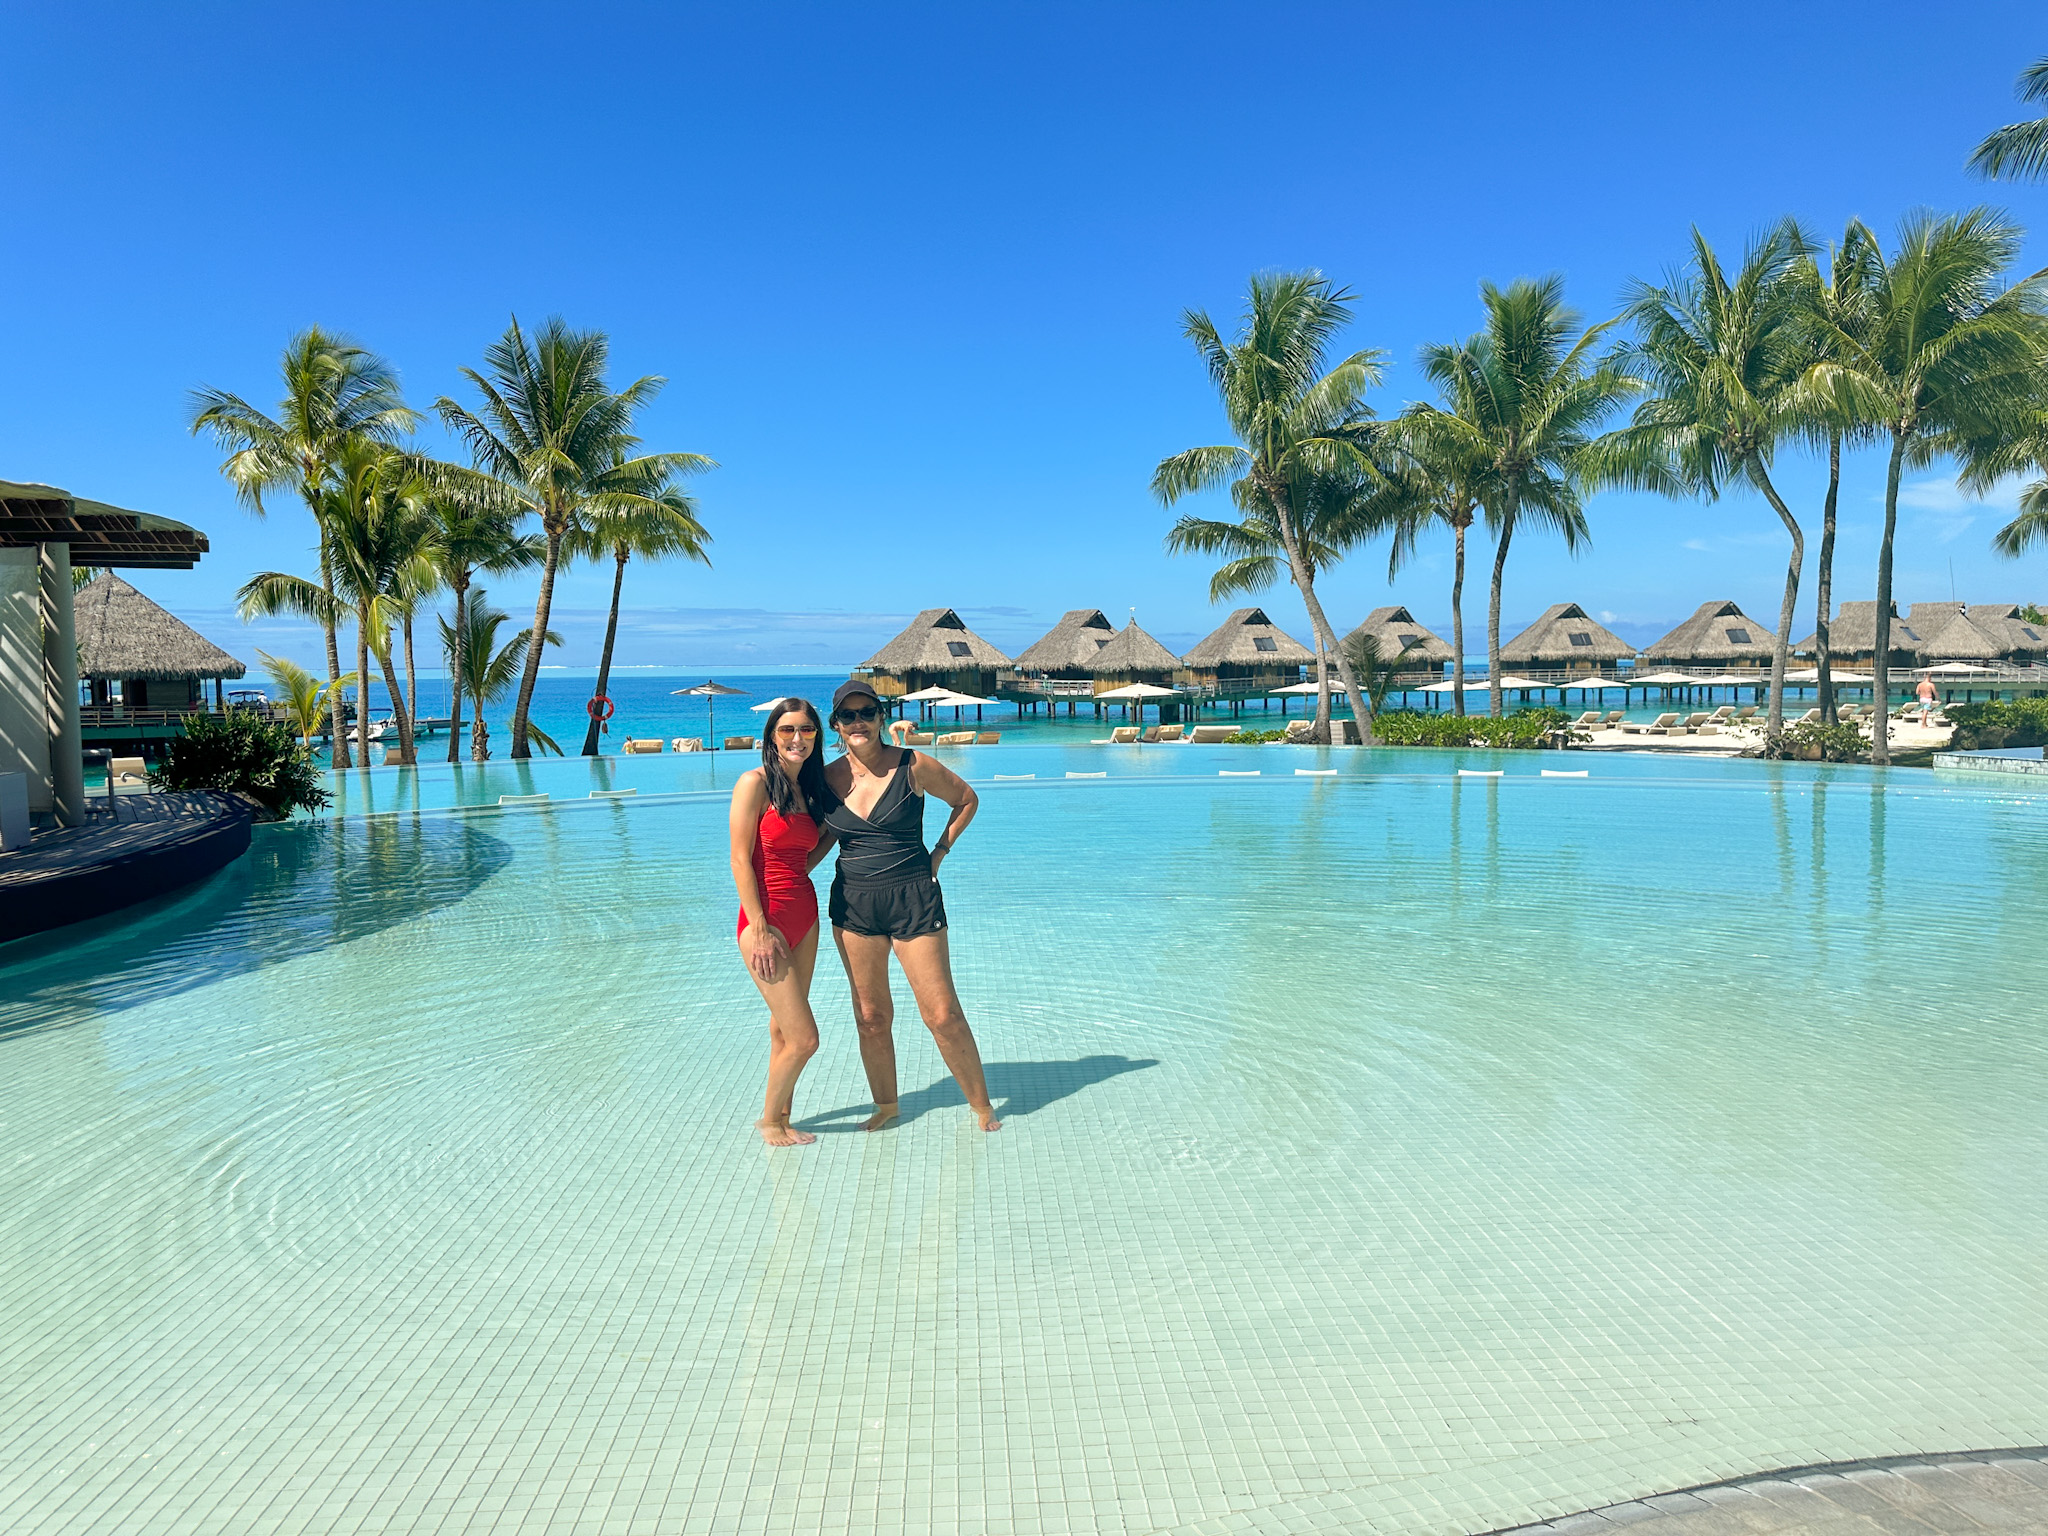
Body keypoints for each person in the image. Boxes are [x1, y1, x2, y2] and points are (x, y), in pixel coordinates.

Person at [823, 680, 1000, 1132]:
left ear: (881, 717)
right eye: (848, 715)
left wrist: (939, 851)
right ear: (837, 724)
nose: (858, 721)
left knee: (941, 1014)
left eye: (867, 711)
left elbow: (966, 799)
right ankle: (887, 1106)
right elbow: (818, 837)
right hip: (854, 904)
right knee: (870, 1018)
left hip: (913, 897)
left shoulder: (913, 765)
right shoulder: (825, 779)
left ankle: (981, 1106)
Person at [730, 697, 838, 1146]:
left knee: (783, 1029)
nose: (798, 738)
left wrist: (835, 831)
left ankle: (786, 1114)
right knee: (805, 1038)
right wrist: (757, 926)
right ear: (772, 736)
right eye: (788, 730)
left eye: (807, 730)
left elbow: (804, 858)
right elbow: (739, 859)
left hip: (804, 912)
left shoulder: (809, 792)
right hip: (765, 920)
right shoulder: (753, 783)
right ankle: (770, 1120)